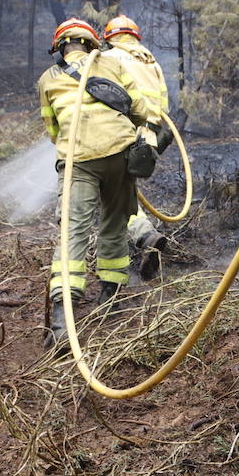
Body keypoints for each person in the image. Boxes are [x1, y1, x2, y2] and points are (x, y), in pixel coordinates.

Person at [36, 18, 161, 350]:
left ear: (60, 46)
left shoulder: (47, 79)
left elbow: (52, 131)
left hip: (78, 161)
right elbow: (139, 108)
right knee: (114, 225)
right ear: (92, 43)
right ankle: (112, 299)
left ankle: (63, 324)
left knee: (73, 234)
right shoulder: (110, 61)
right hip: (119, 154)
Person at [100, 14, 173, 281]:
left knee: (113, 193)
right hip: (148, 137)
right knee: (123, 189)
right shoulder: (150, 60)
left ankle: (143, 235)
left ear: (109, 37)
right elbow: (163, 106)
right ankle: (143, 237)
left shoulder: (108, 58)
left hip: (120, 133)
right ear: (134, 36)